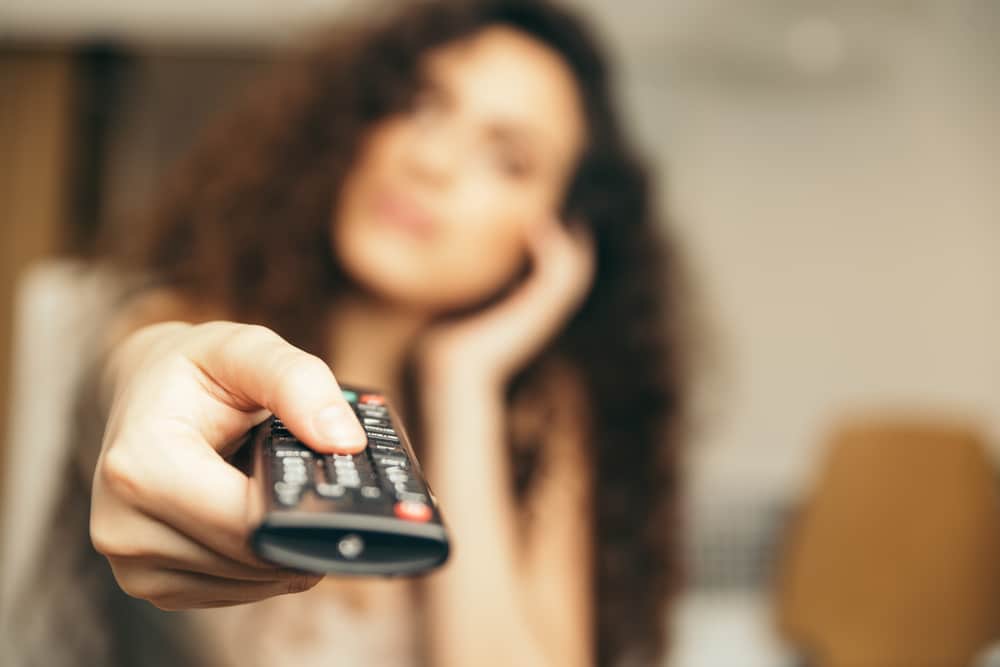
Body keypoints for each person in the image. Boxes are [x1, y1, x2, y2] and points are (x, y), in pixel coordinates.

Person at [10, 0, 689, 665]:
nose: (431, 162)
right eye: (421, 104)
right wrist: (145, 367)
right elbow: (148, 359)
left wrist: (464, 380)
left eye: (506, 158)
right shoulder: (197, 328)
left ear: (555, 235)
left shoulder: (537, 415)